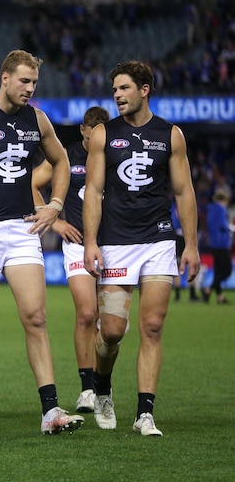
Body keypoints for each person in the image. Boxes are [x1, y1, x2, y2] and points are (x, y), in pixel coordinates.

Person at [0, 49, 84, 435]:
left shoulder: (37, 119)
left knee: (37, 317)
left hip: (23, 230)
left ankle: (51, 410)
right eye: (24, 81)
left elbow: (60, 162)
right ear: (5, 76)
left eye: (34, 83)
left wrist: (55, 205)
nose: (30, 89)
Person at [83, 60, 200, 437]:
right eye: (114, 89)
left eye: (124, 88)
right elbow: (94, 193)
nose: (117, 95)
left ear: (144, 89)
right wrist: (90, 242)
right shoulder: (103, 134)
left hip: (158, 241)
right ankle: (102, 386)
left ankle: (144, 413)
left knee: (152, 325)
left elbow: (184, 192)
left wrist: (191, 244)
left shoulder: (171, 135)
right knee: (113, 331)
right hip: (116, 242)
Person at [31, 106, 110, 414]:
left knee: (111, 327)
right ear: (83, 131)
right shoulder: (67, 156)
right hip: (78, 244)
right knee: (87, 314)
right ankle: (88, 389)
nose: (96, 144)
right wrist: (54, 221)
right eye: (92, 138)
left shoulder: (116, 155)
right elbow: (31, 182)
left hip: (115, 245)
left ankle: (103, 383)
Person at [204, 188, 231, 305]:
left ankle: (220, 296)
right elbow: (224, 226)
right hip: (222, 244)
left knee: (218, 270)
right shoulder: (222, 209)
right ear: (224, 199)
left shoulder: (210, 208)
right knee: (227, 270)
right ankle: (209, 289)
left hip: (214, 243)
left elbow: (210, 225)